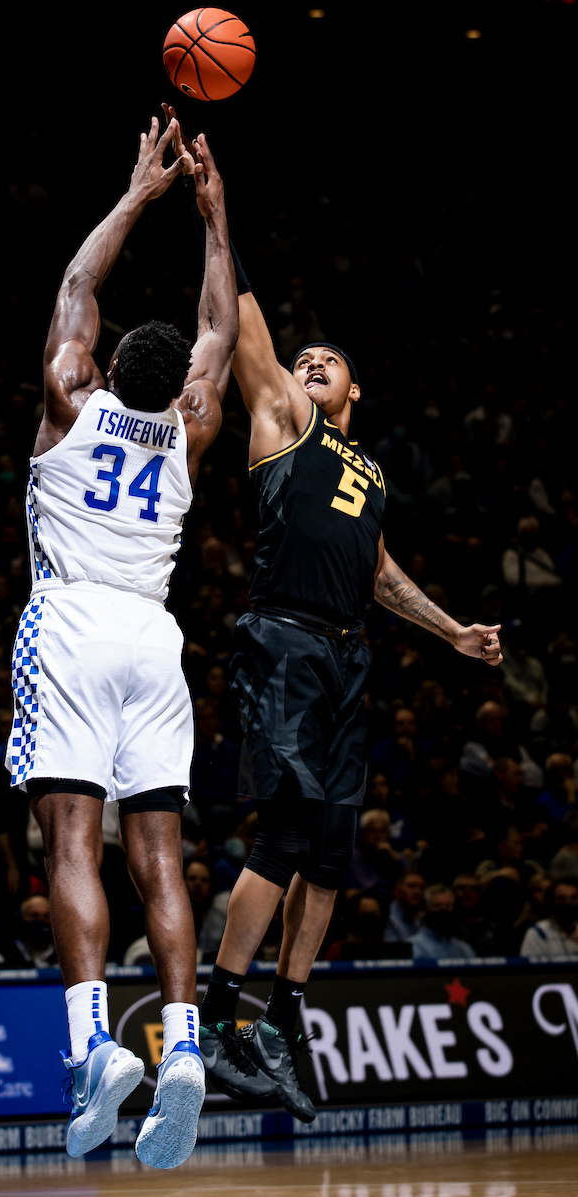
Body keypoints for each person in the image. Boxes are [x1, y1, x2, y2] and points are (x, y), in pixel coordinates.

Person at [162, 105, 504, 1124]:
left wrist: (450, 632)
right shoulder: (280, 419)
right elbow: (241, 321)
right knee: (285, 827)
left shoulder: (369, 469)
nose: (310, 364)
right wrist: (215, 215)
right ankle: (221, 1018)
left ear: (358, 388)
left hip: (348, 658)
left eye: (328, 361)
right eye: (303, 360)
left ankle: (281, 1019)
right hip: (280, 644)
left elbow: (381, 575)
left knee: (332, 849)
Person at [4, 117, 238, 1170]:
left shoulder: (67, 402)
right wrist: (213, 213)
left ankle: (91, 1043)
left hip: (75, 623)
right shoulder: (191, 429)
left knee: (69, 843)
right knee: (160, 860)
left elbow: (71, 287)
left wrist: (138, 193)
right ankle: (182, 1045)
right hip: (156, 640)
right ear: (177, 384)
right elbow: (219, 329)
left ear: (99, 368)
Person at [408, 885, 476, 960]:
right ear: (424, 910)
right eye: (437, 905)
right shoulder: (412, 946)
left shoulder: (464, 949)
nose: (443, 910)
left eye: (448, 905)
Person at [519, 876, 578, 957]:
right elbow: (529, 967)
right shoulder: (538, 933)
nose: (569, 903)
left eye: (574, 898)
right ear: (552, 901)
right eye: (562, 898)